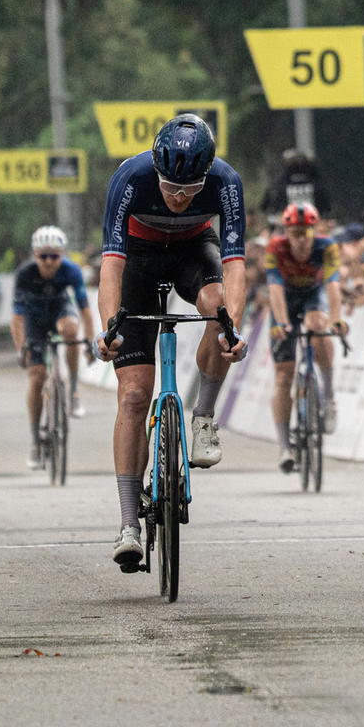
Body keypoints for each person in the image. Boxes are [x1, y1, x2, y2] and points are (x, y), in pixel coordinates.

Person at [95, 114, 247, 571]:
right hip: (138, 262)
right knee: (135, 395)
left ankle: (202, 417)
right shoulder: (131, 176)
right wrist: (109, 326)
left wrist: (231, 325)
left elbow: (236, 260)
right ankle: (128, 524)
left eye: (190, 190)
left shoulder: (225, 181)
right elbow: (111, 265)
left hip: (192, 252)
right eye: (171, 189)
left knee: (218, 309)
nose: (180, 199)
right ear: (156, 172)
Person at [265, 202, 349, 471]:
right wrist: (281, 323)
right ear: (286, 232)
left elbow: (333, 285)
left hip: (313, 295)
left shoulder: (327, 247)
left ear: (314, 231)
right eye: (295, 233)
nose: (301, 239)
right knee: (283, 374)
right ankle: (284, 446)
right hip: (286, 300)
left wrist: (336, 319)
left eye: (306, 233)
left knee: (318, 326)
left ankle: (328, 397)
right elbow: (275, 290)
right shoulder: (275, 248)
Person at [10, 226, 95, 468]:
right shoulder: (25, 274)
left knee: (70, 329)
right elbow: (16, 318)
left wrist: (88, 342)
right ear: (35, 256)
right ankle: (36, 440)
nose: (49, 262)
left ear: (62, 255)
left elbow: (85, 312)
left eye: (55, 256)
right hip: (34, 322)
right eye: (43, 256)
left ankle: (74, 392)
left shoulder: (71, 271)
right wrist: (21, 349)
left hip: (60, 312)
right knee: (37, 378)